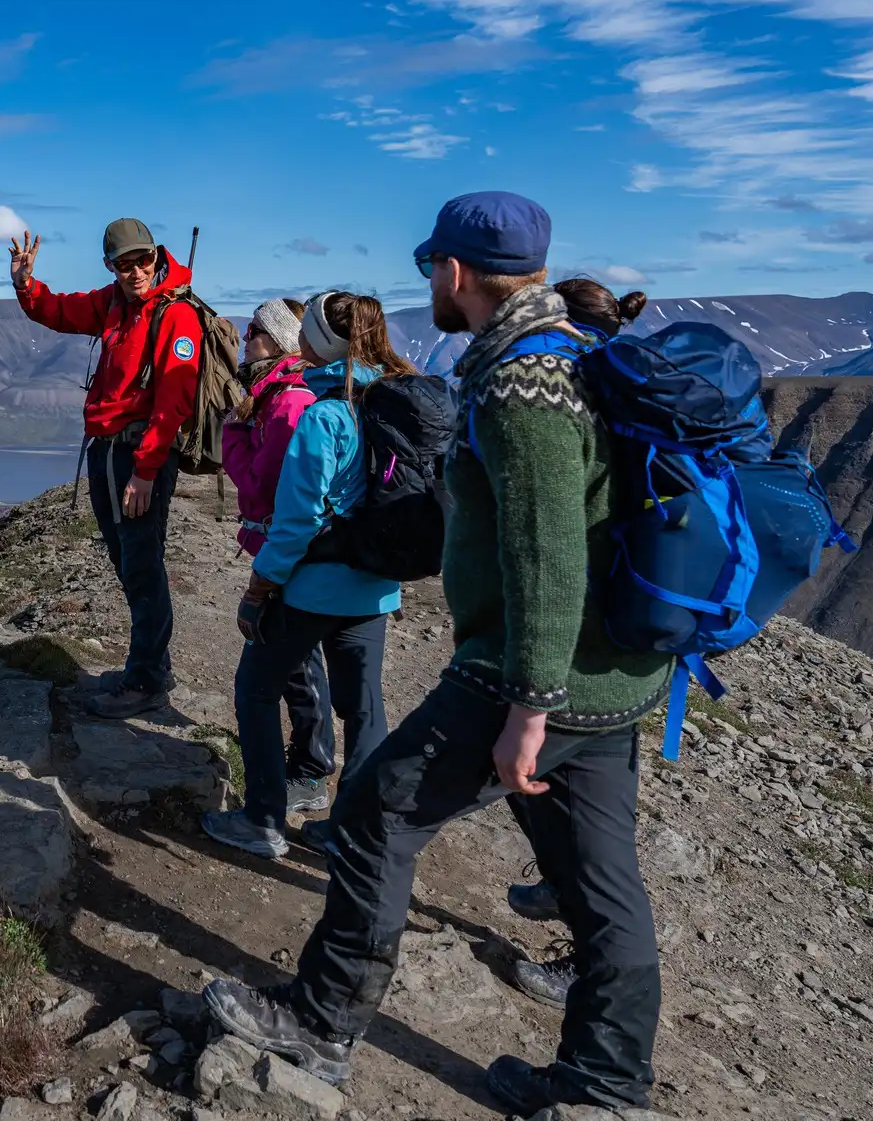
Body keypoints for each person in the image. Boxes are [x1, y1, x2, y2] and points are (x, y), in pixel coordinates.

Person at [203, 192, 674, 1116]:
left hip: (530, 673)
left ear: (457, 274)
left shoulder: (522, 385)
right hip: (617, 670)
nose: (429, 286)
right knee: (600, 878)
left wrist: (529, 708)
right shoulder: (578, 354)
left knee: (377, 815)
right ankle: (608, 1080)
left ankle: (322, 1024)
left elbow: (546, 553)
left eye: (432, 270)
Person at [202, 291, 417, 860]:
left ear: (318, 342)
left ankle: (264, 819)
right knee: (364, 707)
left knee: (255, 688)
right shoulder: (391, 402)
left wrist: (259, 587)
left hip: (315, 585)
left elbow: (297, 520)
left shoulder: (326, 415)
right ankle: (352, 831)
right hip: (375, 585)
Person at [502, 275, 652, 1008]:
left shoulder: (564, 391)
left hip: (580, 658)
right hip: (633, 646)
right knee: (598, 843)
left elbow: (554, 552)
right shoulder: (623, 393)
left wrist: (532, 691)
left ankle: (586, 969)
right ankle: (610, 1054)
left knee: (397, 808)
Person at [9, 221, 203, 718]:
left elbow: (173, 402)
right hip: (108, 450)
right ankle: (150, 666)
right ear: (110, 266)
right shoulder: (112, 303)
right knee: (128, 561)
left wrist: (144, 471)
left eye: (142, 260)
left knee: (141, 564)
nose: (135, 271)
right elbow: (57, 311)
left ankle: (146, 681)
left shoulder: (175, 314)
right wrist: (26, 284)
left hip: (137, 457)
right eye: (123, 263)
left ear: (156, 256)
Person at [219, 298, 334, 816]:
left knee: (294, 665)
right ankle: (308, 766)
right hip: (284, 549)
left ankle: (308, 772)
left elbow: (260, 484)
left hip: (288, 552)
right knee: (295, 663)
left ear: (281, 341)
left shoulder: (287, 405)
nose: (246, 341)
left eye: (254, 332)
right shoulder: (276, 397)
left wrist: (233, 433)